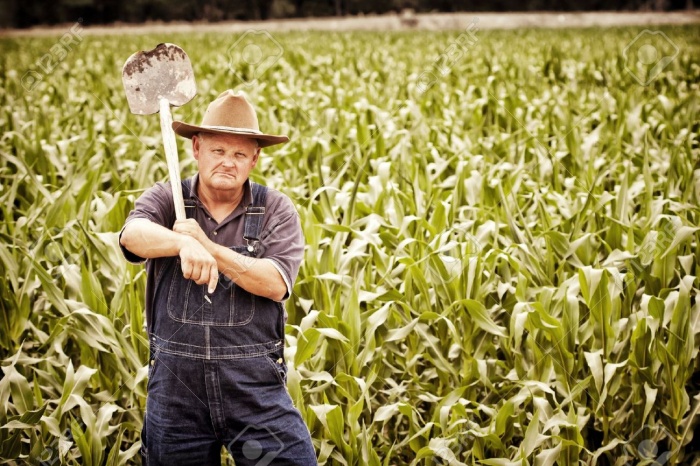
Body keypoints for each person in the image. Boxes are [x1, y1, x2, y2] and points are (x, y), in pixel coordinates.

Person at [119, 90, 316, 465]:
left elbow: (275, 283)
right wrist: (181, 243)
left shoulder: (275, 209)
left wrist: (208, 247)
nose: (228, 162)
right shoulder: (166, 198)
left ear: (254, 159)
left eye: (240, 154)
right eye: (218, 151)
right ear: (196, 148)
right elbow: (132, 235)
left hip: (253, 393)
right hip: (177, 395)